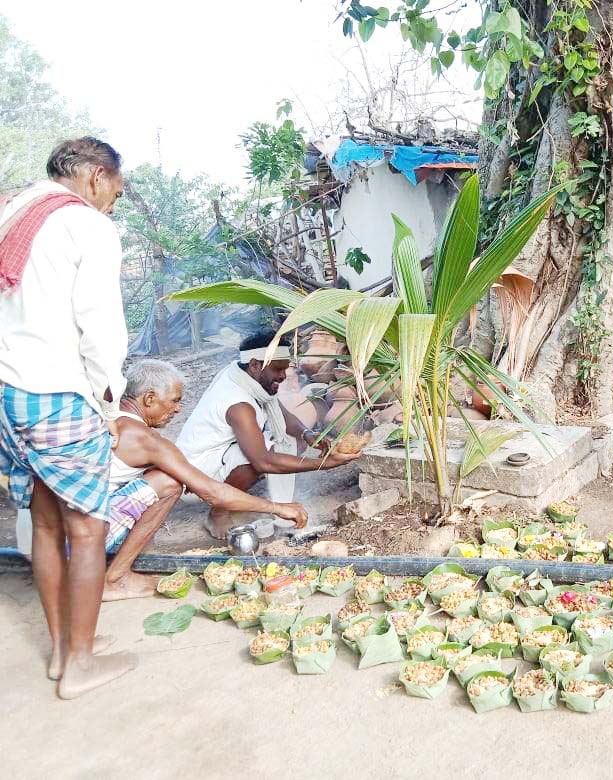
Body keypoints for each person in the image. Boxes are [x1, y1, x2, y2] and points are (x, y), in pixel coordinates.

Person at [0, 137, 136, 698]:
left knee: (48, 522)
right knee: (88, 527)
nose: (112, 204)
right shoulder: (87, 226)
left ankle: (62, 650)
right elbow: (100, 328)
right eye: (115, 193)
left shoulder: (15, 209)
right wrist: (109, 404)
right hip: (57, 392)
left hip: (8, 392)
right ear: (97, 177)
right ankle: (79, 663)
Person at [102, 359, 309, 600]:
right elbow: (213, 492)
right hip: (90, 533)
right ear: (149, 398)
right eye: (175, 400)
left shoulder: (111, 416)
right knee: (168, 483)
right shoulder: (146, 439)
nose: (178, 409)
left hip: (70, 528)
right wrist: (277, 508)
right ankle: (116, 579)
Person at [175, 329, 359, 539]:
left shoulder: (243, 374)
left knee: (283, 440)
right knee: (254, 457)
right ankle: (218, 512)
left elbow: (279, 410)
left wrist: (307, 434)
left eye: (286, 369)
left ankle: (234, 498)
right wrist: (324, 464)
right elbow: (264, 462)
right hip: (193, 479)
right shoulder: (238, 404)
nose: (283, 376)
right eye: (277, 369)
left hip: (211, 460)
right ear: (255, 365)